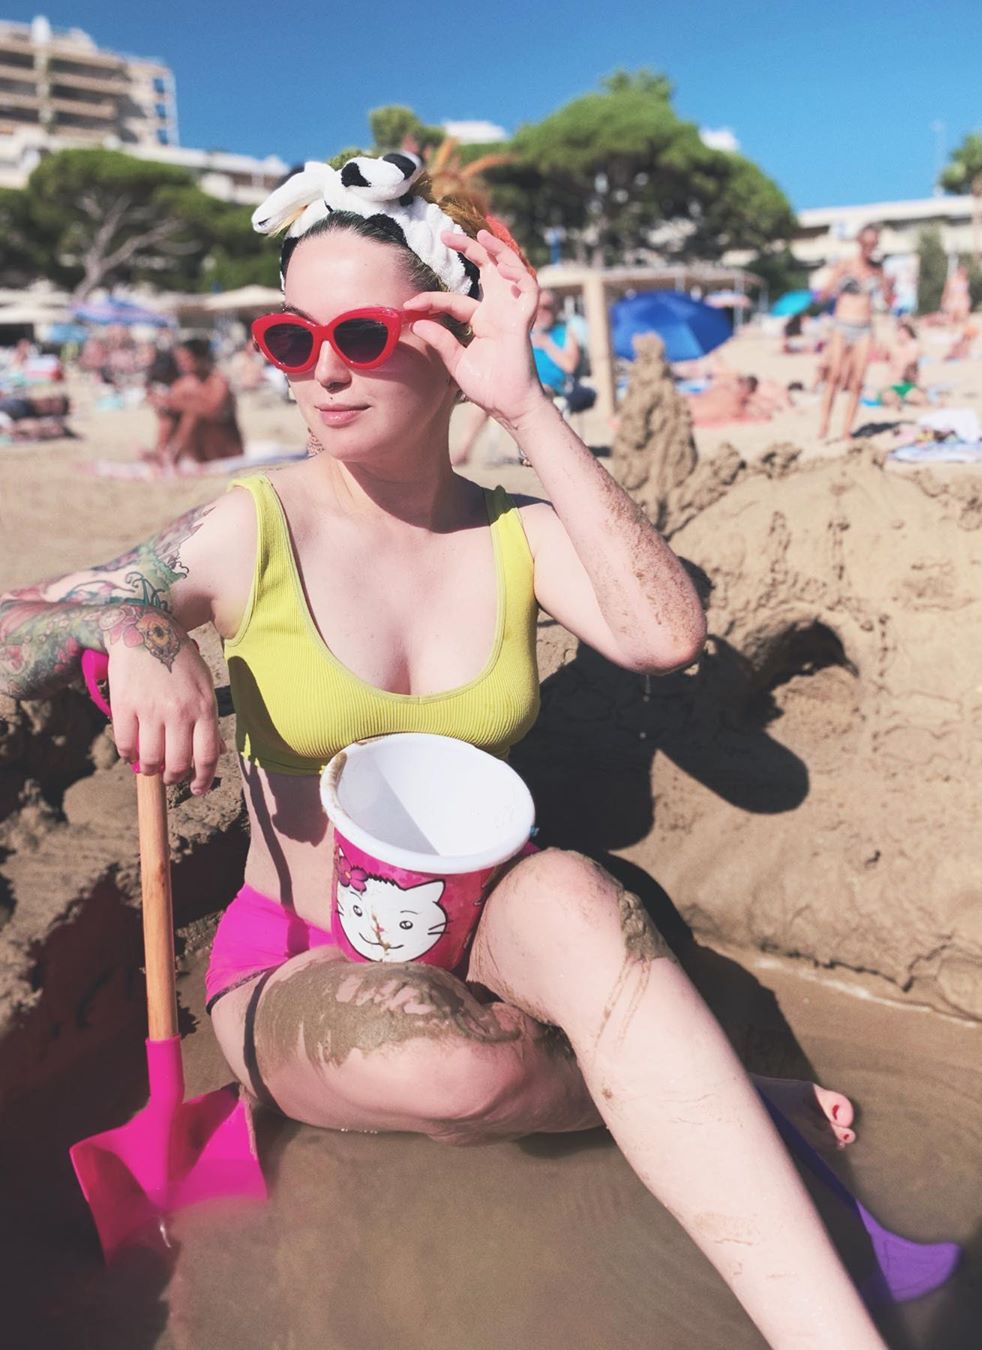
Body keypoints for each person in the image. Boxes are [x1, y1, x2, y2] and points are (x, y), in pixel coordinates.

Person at [0, 150, 889, 1349]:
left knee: (583, 898)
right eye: (290, 338)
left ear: (446, 339)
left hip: (494, 925)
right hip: (301, 961)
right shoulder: (252, 527)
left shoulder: (514, 533)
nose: (321, 372)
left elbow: (664, 634)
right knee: (445, 1068)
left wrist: (525, 406)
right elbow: (19, 622)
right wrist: (138, 626)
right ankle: (699, 1098)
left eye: (362, 336)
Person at [816, 224, 894, 441]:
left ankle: (846, 430)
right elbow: (824, 293)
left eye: (874, 243)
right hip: (842, 324)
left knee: (858, 381)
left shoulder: (878, 269)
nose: (870, 247)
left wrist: (887, 285)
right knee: (834, 376)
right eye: (867, 243)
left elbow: (887, 301)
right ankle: (824, 424)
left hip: (864, 328)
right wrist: (833, 286)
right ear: (859, 242)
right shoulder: (846, 264)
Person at [145, 337, 243, 471]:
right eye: (179, 360)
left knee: (193, 413)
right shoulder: (184, 383)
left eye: (187, 359)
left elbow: (212, 409)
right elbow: (170, 406)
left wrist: (173, 402)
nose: (182, 363)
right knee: (167, 416)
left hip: (223, 446)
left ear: (201, 357)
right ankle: (161, 453)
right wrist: (162, 404)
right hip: (198, 449)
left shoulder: (218, 381)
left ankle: (173, 455)